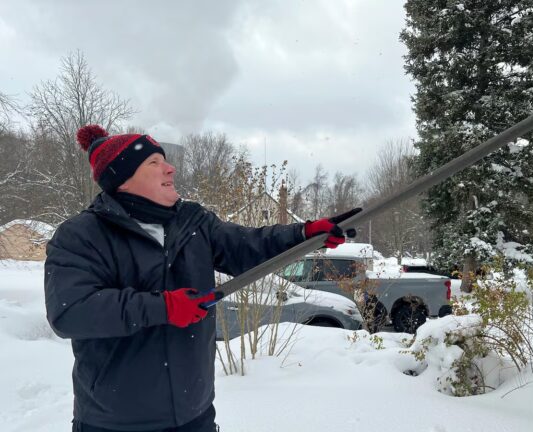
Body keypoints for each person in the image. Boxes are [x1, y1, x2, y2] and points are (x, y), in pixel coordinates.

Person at [44, 125, 358, 432]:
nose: (170, 169)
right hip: (115, 422)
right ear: (122, 179)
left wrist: (304, 235)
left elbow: (247, 245)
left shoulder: (192, 222)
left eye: (165, 160)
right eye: (154, 162)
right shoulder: (82, 235)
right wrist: (163, 307)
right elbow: (71, 311)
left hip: (194, 416)